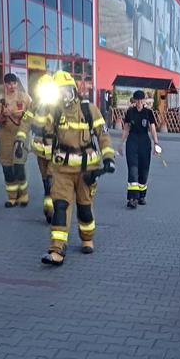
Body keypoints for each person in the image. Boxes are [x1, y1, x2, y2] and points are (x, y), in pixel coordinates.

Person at [40, 71, 115, 266]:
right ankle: (57, 249)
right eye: (59, 92)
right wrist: (47, 170)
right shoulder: (54, 113)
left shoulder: (89, 110)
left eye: (65, 90)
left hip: (86, 171)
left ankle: (87, 237)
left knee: (84, 209)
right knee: (60, 208)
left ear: (74, 90)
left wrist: (108, 158)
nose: (63, 95)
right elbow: (47, 143)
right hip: (61, 170)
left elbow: (103, 135)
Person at [18, 74, 59, 223]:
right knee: (45, 179)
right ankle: (49, 200)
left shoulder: (60, 105)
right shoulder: (35, 104)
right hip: (41, 149)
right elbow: (26, 121)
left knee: (51, 178)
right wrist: (20, 139)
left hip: (56, 149)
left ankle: (51, 206)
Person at [0, 73, 32, 208]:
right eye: (9, 83)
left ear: (17, 83)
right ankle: (12, 197)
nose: (12, 86)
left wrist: (15, 114)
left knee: (19, 165)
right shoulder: (0, 99)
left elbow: (32, 115)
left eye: (14, 83)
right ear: (5, 85)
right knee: (7, 168)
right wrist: (3, 116)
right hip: (6, 136)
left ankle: (24, 195)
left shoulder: (25, 97)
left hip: (21, 135)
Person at [117, 90, 161, 208]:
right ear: (134, 100)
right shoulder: (130, 112)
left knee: (144, 170)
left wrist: (156, 144)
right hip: (132, 141)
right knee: (133, 169)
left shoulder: (148, 112)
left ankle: (142, 196)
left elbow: (152, 129)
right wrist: (121, 144)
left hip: (144, 143)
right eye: (137, 99)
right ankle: (132, 198)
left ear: (144, 100)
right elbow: (126, 129)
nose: (140, 102)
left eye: (142, 99)